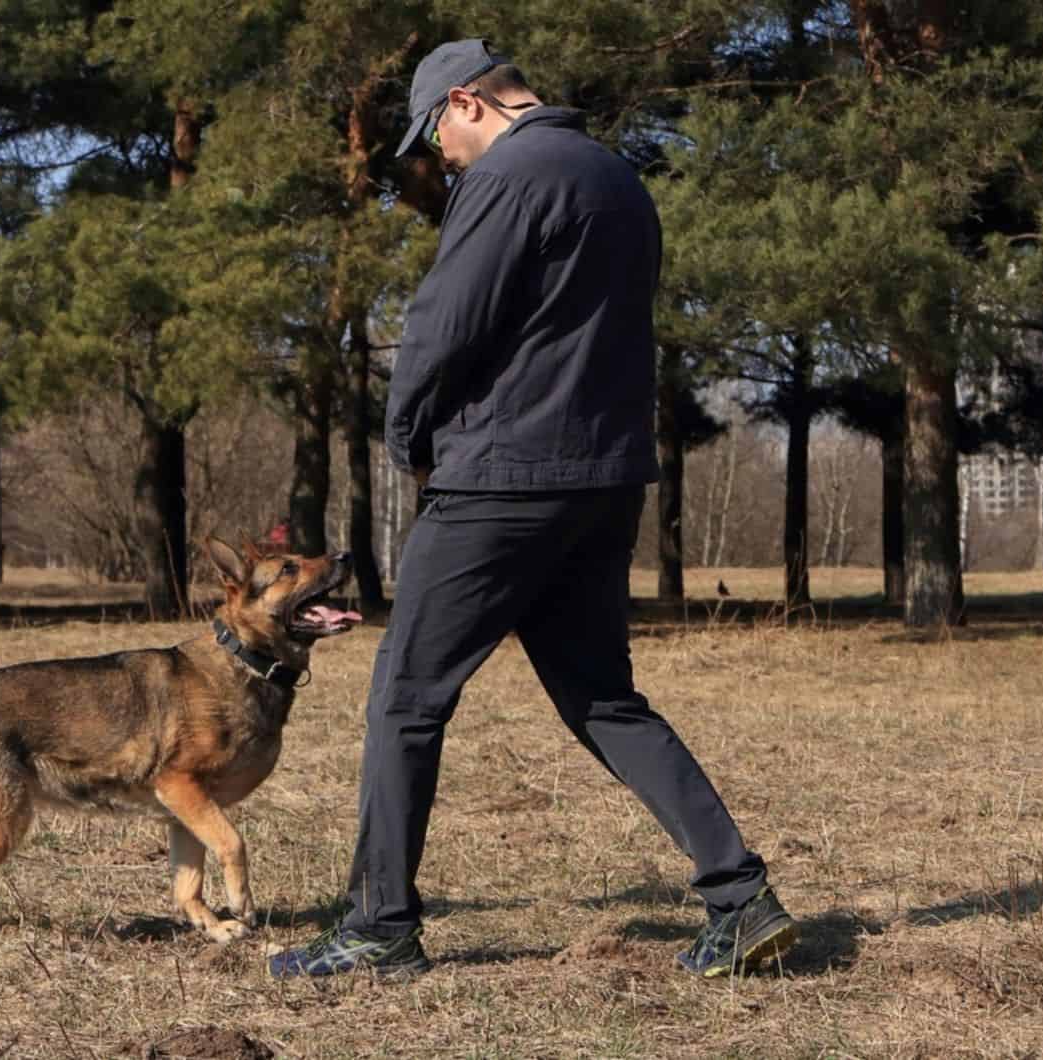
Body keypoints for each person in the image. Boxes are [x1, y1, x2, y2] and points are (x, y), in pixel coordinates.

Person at [269, 39, 796, 981]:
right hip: (603, 480)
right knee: (603, 697)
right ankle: (740, 896)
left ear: (468, 103)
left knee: (405, 698)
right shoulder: (617, 178)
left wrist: (408, 438)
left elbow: (443, 323)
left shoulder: (511, 174)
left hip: (503, 481)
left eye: (436, 135)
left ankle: (380, 927)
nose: (440, 158)